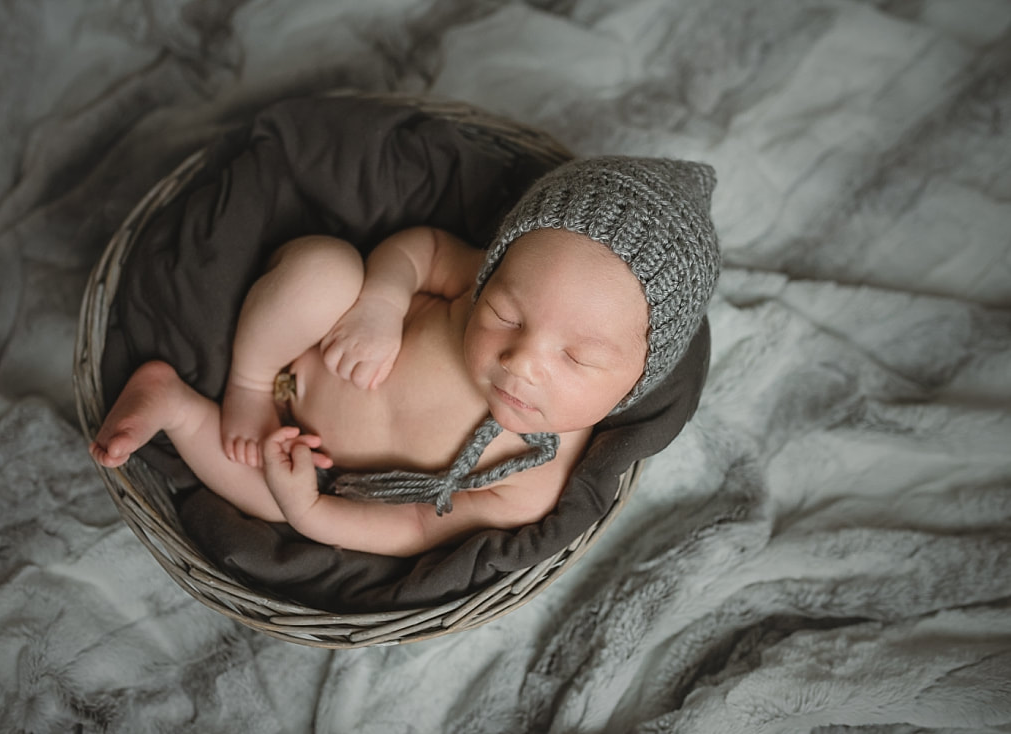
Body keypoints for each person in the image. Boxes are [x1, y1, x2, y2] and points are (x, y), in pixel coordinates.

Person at [89, 156, 720, 557]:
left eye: (579, 358)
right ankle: (243, 386)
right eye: (505, 313)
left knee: (264, 496)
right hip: (291, 348)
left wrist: (311, 511)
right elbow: (423, 249)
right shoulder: (475, 275)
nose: (523, 358)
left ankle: (173, 405)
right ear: (495, 270)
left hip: (314, 469)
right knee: (326, 272)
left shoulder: (533, 480)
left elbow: (419, 529)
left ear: (638, 383)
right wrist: (382, 304)